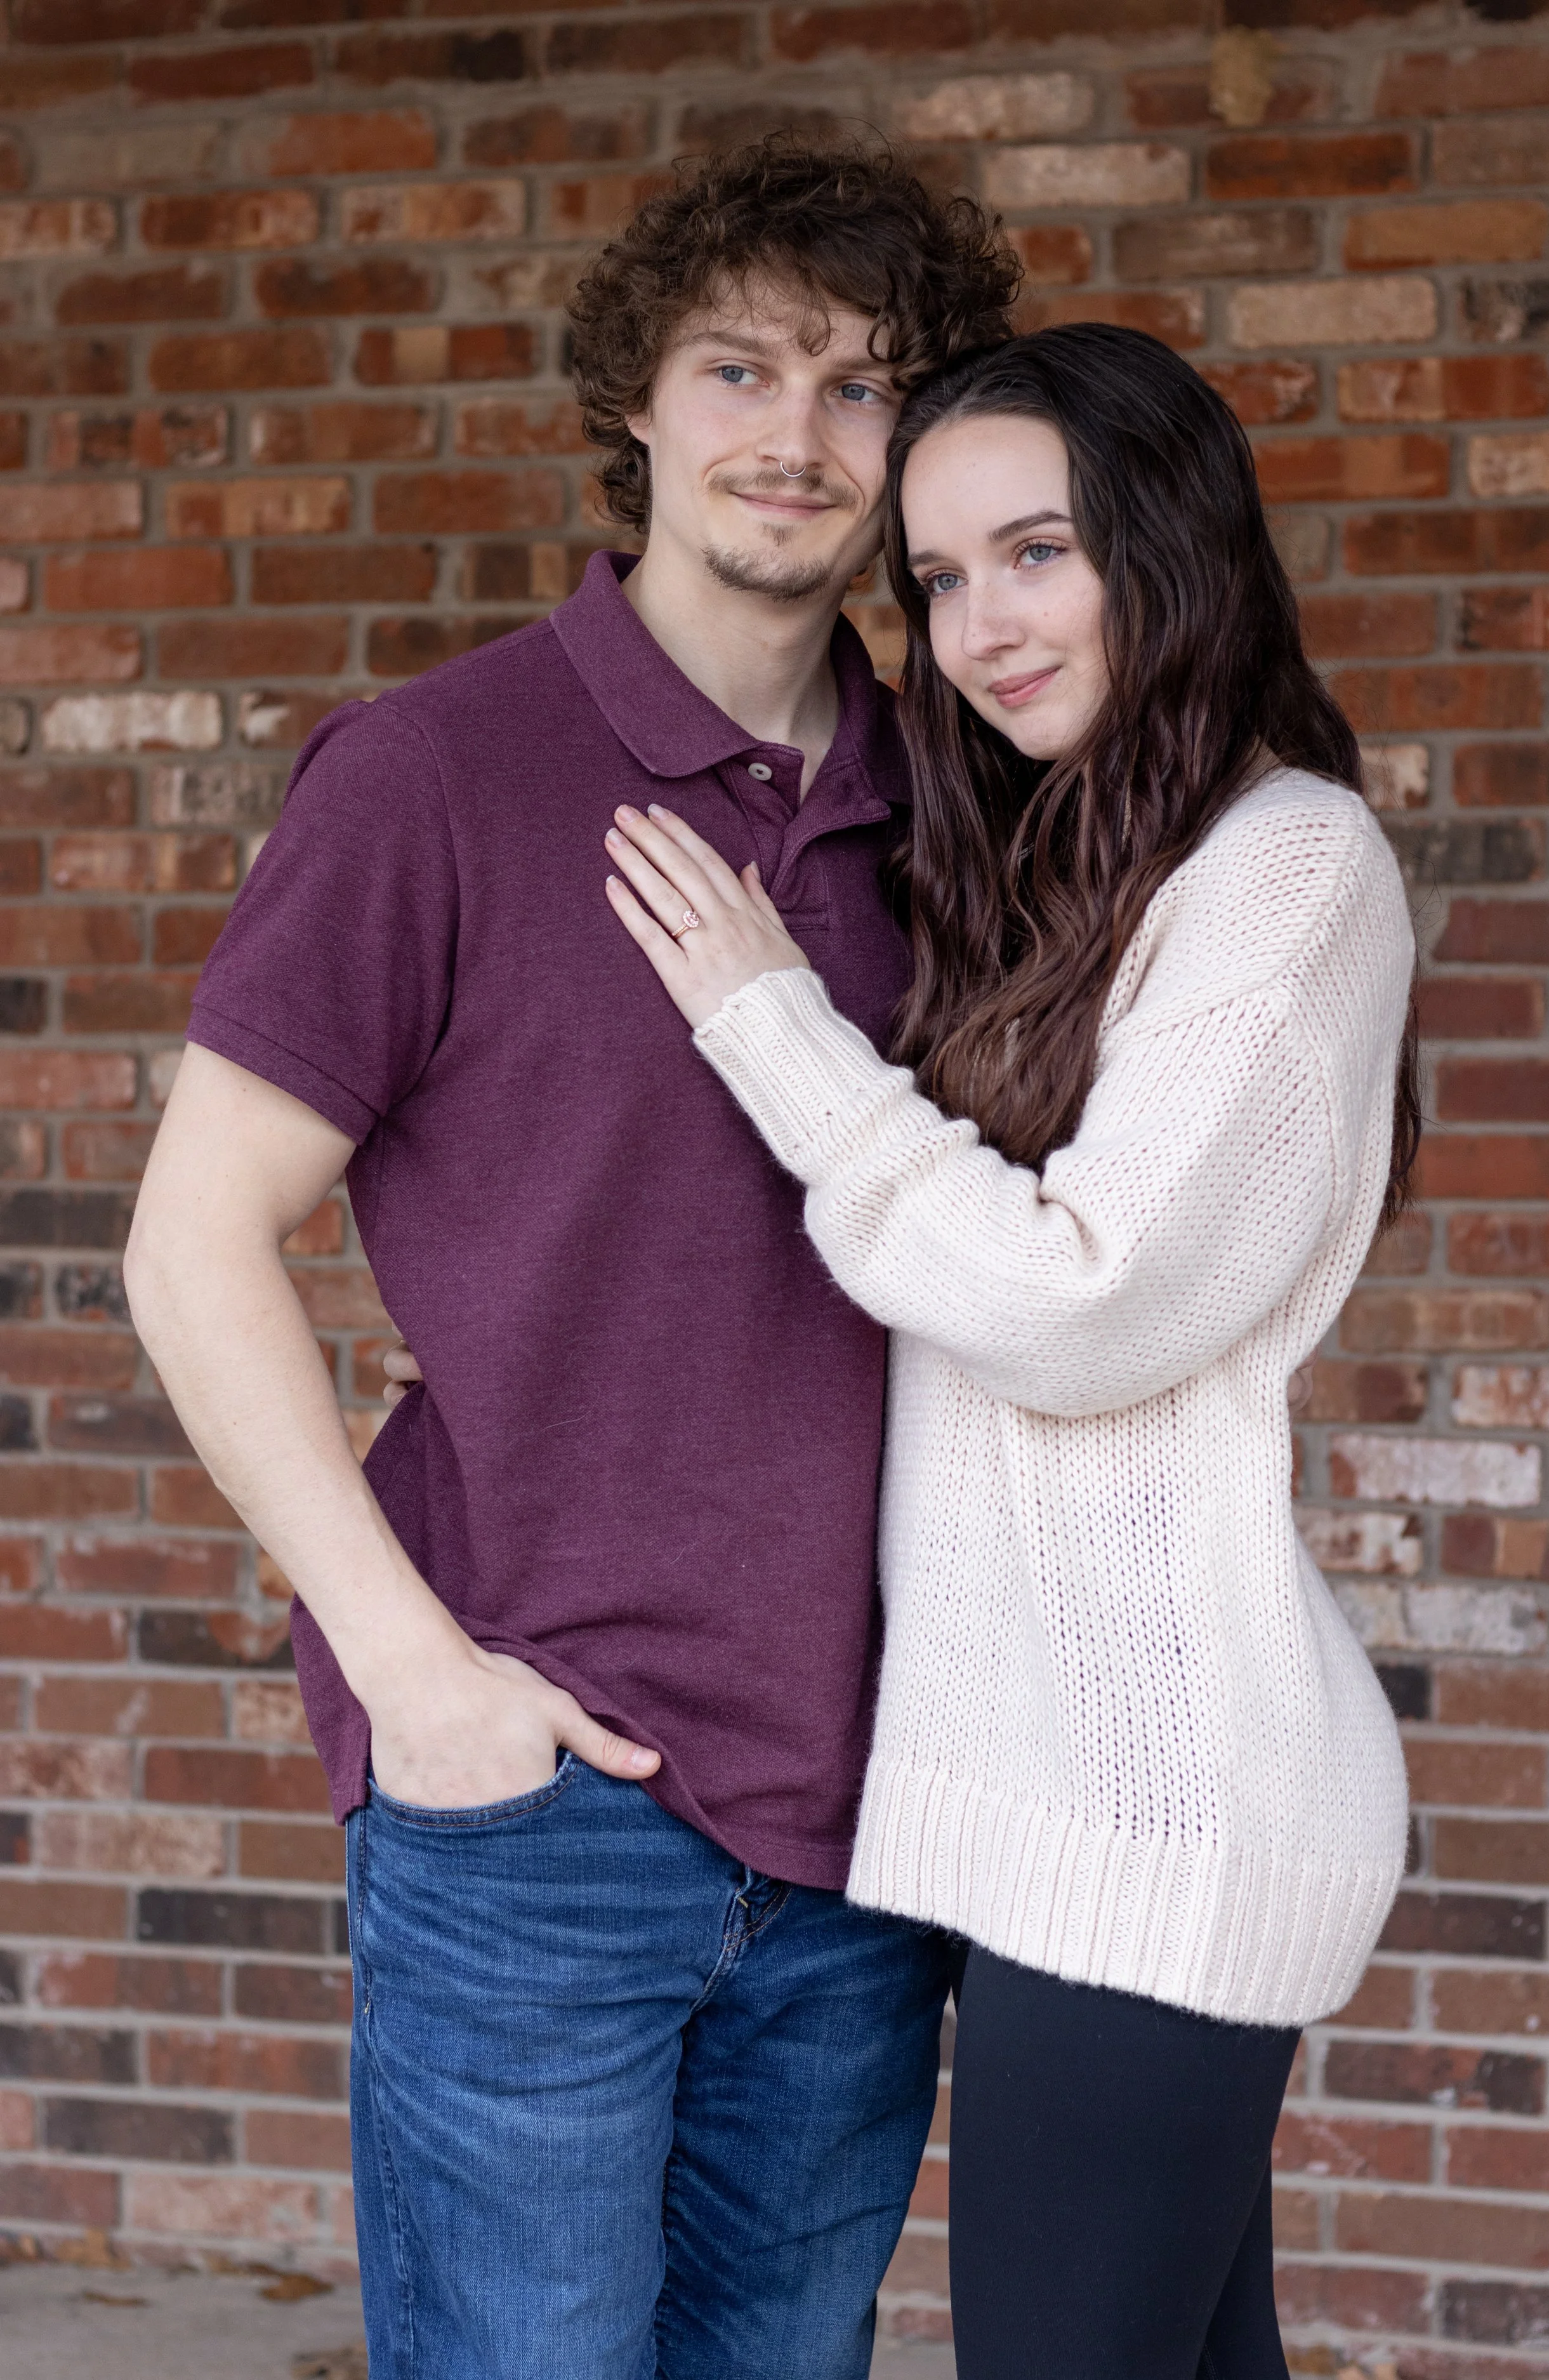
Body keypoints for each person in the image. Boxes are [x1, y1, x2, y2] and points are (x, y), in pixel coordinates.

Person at [122, 141, 1019, 2380]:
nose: (792, 439)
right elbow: (194, 1239)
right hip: (536, 1798)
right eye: (737, 367)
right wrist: (416, 1677)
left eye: (860, 387)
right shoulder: (435, 775)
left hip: (865, 1811)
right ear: (636, 402)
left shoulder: (967, 812)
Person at [601, 322, 1420, 2380]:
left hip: (1162, 1805)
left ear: (1171, 542)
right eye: (941, 578)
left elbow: (1078, 1303)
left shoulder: (1289, 867)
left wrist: (774, 1030)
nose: (976, 626)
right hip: (1048, 1801)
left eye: (1034, 552)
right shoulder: (1081, 857)